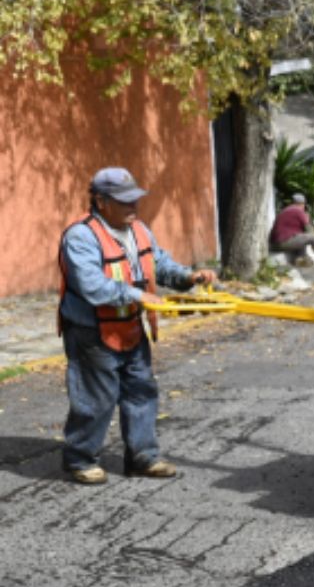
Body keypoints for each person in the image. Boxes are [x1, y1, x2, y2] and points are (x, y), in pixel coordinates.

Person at [57, 167, 218, 484]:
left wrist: (188, 277)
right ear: (101, 202)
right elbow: (92, 287)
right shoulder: (80, 237)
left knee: (142, 392)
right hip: (92, 331)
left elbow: (158, 263)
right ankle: (81, 459)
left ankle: (143, 457)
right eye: (125, 201)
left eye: (135, 200)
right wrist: (137, 295)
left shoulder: (139, 230)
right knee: (96, 398)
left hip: (130, 325)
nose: (134, 207)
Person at [270, 194, 314, 266]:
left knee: (301, 237)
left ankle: (301, 259)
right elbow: (309, 230)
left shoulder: (286, 210)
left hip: (275, 244)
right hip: (283, 242)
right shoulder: (299, 211)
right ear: (302, 204)